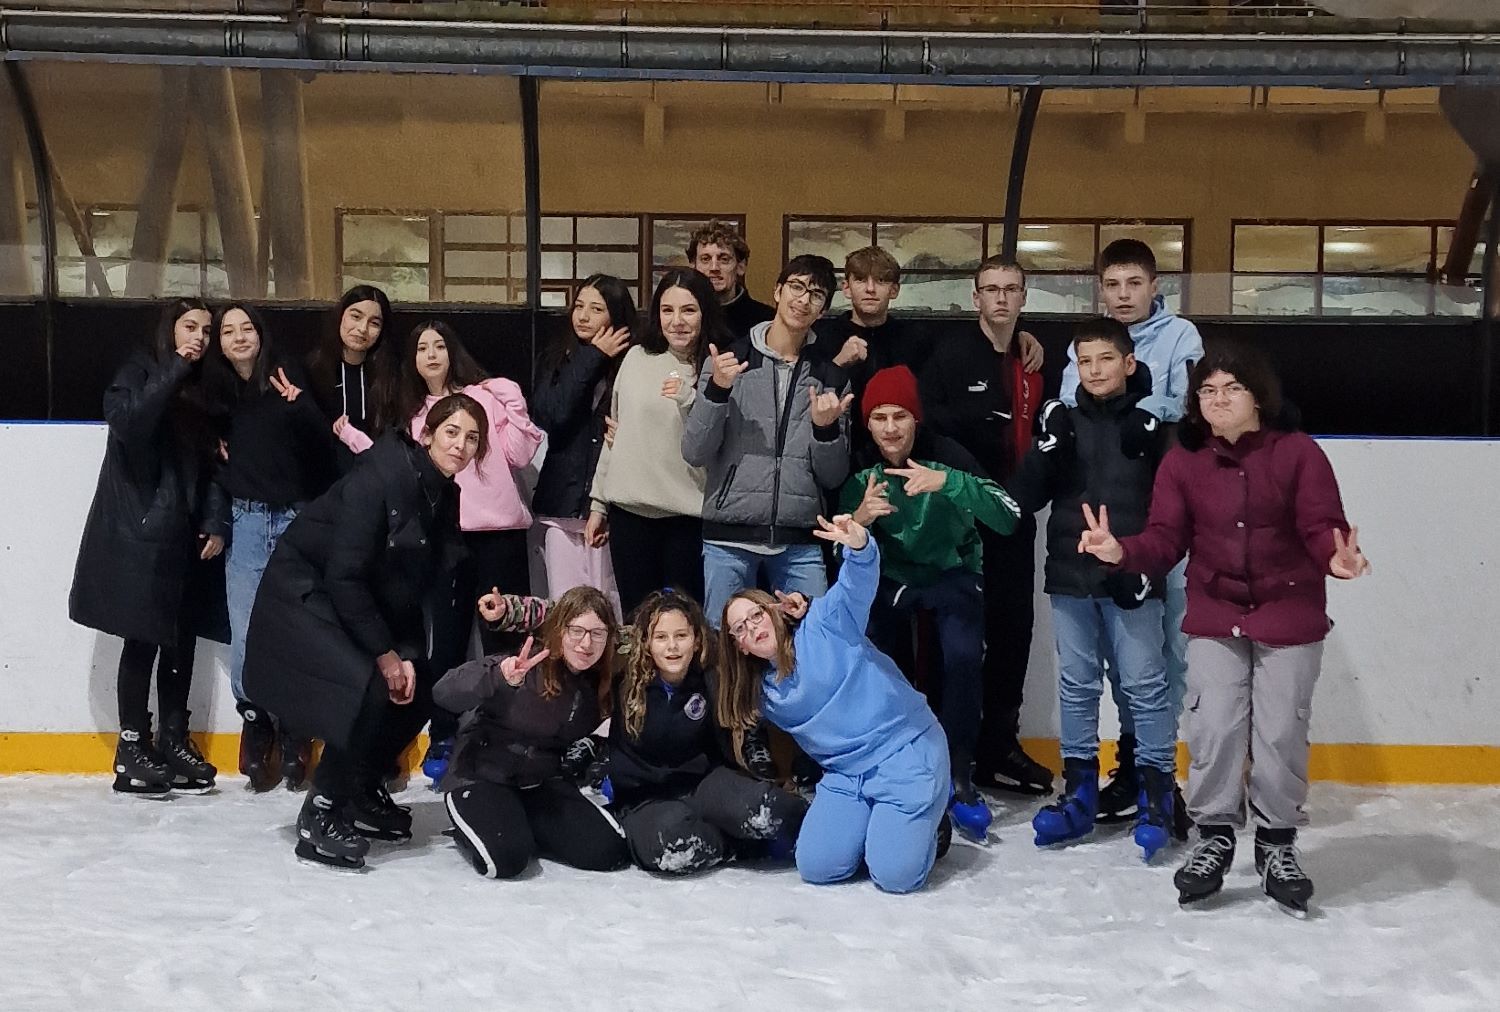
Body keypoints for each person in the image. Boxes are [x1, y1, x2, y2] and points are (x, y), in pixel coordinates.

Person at [1078, 343, 1371, 912]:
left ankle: (1277, 841)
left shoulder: (1298, 453)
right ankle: (1213, 835)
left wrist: (1335, 558)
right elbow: (1165, 538)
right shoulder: (1183, 461)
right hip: (1216, 613)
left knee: (1280, 730)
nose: (1218, 400)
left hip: (1289, 611)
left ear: (1258, 397)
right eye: (1208, 391)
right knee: (1213, 726)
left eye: (1232, 389)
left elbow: (1320, 524)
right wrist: (1121, 552)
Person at [241, 394, 485, 870]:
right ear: (427, 434)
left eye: (472, 438)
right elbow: (344, 575)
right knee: (370, 685)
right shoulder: (380, 478)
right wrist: (386, 655)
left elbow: (425, 578)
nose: (461, 445)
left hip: (361, 599)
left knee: (424, 684)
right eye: (452, 432)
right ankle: (322, 808)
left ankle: (361, 785)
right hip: (305, 594)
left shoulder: (441, 492)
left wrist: (409, 653)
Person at [341, 320, 544, 782]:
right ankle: (444, 733)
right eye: (421, 348)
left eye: (438, 346)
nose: (431, 354)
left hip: (500, 536)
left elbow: (519, 454)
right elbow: (402, 471)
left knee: (506, 641)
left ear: (453, 351)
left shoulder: (483, 397)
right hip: (445, 538)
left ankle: (507, 731)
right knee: (446, 643)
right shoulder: (415, 415)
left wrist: (514, 403)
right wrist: (358, 442)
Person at [1007, 319, 1180, 859]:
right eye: (1085, 361)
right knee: (1076, 687)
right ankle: (1079, 793)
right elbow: (1024, 499)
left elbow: (1177, 511)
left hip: (1132, 572)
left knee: (1145, 686)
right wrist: (1045, 448)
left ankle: (1157, 797)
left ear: (1129, 364)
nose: (1095, 370)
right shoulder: (1064, 423)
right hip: (1071, 575)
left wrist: (1148, 564)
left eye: (1106, 359)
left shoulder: (1154, 426)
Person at [717, 515, 950, 894]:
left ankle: (931, 827)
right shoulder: (762, 692)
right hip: (845, 775)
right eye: (739, 628)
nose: (752, 627)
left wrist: (859, 546)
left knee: (895, 876)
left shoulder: (825, 622)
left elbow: (857, 584)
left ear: (774, 610)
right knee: (817, 866)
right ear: (738, 646)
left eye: (756, 614)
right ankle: (885, 826)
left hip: (904, 753)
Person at [839, 365, 1020, 842]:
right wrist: (859, 518)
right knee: (881, 661)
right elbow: (837, 544)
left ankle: (960, 771)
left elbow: (1009, 517)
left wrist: (950, 484)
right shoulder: (861, 466)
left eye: (900, 416)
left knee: (961, 658)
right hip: (892, 576)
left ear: (916, 420)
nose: (890, 428)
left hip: (952, 570)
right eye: (879, 417)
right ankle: (895, 761)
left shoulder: (947, 455)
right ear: (867, 423)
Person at [1060, 238, 1205, 825]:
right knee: (1122, 662)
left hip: (1162, 513)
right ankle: (1131, 769)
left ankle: (1161, 777)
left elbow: (1191, 401)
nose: (1123, 295)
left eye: (1134, 284)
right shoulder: (1088, 342)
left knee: (1164, 657)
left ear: (1154, 285)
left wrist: (1152, 406)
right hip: (1106, 515)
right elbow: (1068, 400)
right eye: (1113, 285)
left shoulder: (1181, 336)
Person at [69, 298, 228, 795]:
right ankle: (132, 746)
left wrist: (214, 520)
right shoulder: (140, 370)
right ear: (169, 329)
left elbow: (212, 462)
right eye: (190, 327)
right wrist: (175, 367)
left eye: (206, 330)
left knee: (182, 638)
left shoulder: (202, 389)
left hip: (187, 533)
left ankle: (173, 737)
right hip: (142, 532)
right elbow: (131, 425)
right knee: (142, 638)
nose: (199, 337)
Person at [920, 253, 1051, 796]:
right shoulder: (950, 355)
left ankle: (1000, 745)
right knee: (955, 641)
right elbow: (930, 428)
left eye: (1010, 289)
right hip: (961, 521)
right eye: (991, 289)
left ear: (1023, 298)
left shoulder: (1033, 361)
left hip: (1014, 518)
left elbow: (1046, 438)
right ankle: (949, 751)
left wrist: (1020, 498)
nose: (1001, 297)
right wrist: (973, 488)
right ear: (975, 297)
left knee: (1012, 633)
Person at [203, 303, 337, 792]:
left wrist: (301, 407)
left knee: (300, 626)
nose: (239, 337)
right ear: (219, 343)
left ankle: (297, 725)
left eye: (247, 329)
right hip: (246, 521)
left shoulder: (286, 377)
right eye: (228, 331)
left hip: (295, 520)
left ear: (261, 335)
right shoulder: (216, 396)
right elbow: (208, 459)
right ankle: (256, 719)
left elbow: (324, 447)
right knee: (246, 631)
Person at [682, 254, 853, 624]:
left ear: (823, 310)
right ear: (777, 291)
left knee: (813, 636)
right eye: (796, 287)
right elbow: (694, 451)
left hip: (799, 539)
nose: (803, 300)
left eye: (816, 294)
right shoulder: (729, 360)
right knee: (724, 641)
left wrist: (825, 429)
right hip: (728, 536)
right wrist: (717, 390)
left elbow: (833, 476)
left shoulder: (830, 377)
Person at [435, 586, 631, 879]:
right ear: (560, 631)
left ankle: (523, 824)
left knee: (608, 851)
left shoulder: (599, 683)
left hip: (540, 782)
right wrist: (498, 676)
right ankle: (487, 826)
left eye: (597, 633)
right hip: (482, 775)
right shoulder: (526, 664)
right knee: (505, 860)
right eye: (576, 631)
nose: (586, 643)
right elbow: (444, 692)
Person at [609, 591, 807, 874]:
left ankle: (820, 829)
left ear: (696, 639)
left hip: (704, 784)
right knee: (677, 846)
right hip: (646, 799)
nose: (672, 646)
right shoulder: (626, 682)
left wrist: (801, 611)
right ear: (647, 643)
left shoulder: (710, 676)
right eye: (661, 637)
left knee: (770, 810)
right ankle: (735, 844)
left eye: (681, 635)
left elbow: (757, 653)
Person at [587, 269, 725, 614]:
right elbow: (615, 433)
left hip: (688, 518)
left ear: (705, 312)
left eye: (688, 310)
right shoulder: (636, 357)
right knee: (637, 621)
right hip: (629, 513)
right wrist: (598, 504)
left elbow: (722, 441)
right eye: (667, 310)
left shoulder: (718, 366)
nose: (677, 321)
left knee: (686, 623)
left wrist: (693, 399)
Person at [531, 275, 634, 615]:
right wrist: (591, 358)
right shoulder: (557, 357)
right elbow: (553, 415)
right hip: (562, 505)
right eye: (579, 306)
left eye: (596, 309)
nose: (584, 316)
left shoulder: (634, 362)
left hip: (614, 508)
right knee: (566, 609)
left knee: (611, 609)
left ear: (616, 315)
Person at [310, 284, 393, 472]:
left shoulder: (389, 377)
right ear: (341, 316)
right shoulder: (312, 369)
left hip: (373, 477)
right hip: (321, 478)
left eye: (374, 323)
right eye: (356, 317)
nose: (362, 328)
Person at [688, 219, 774, 339]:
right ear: (693, 266)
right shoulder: (681, 318)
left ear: (740, 266)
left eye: (724, 259)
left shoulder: (766, 321)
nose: (714, 267)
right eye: (705, 259)